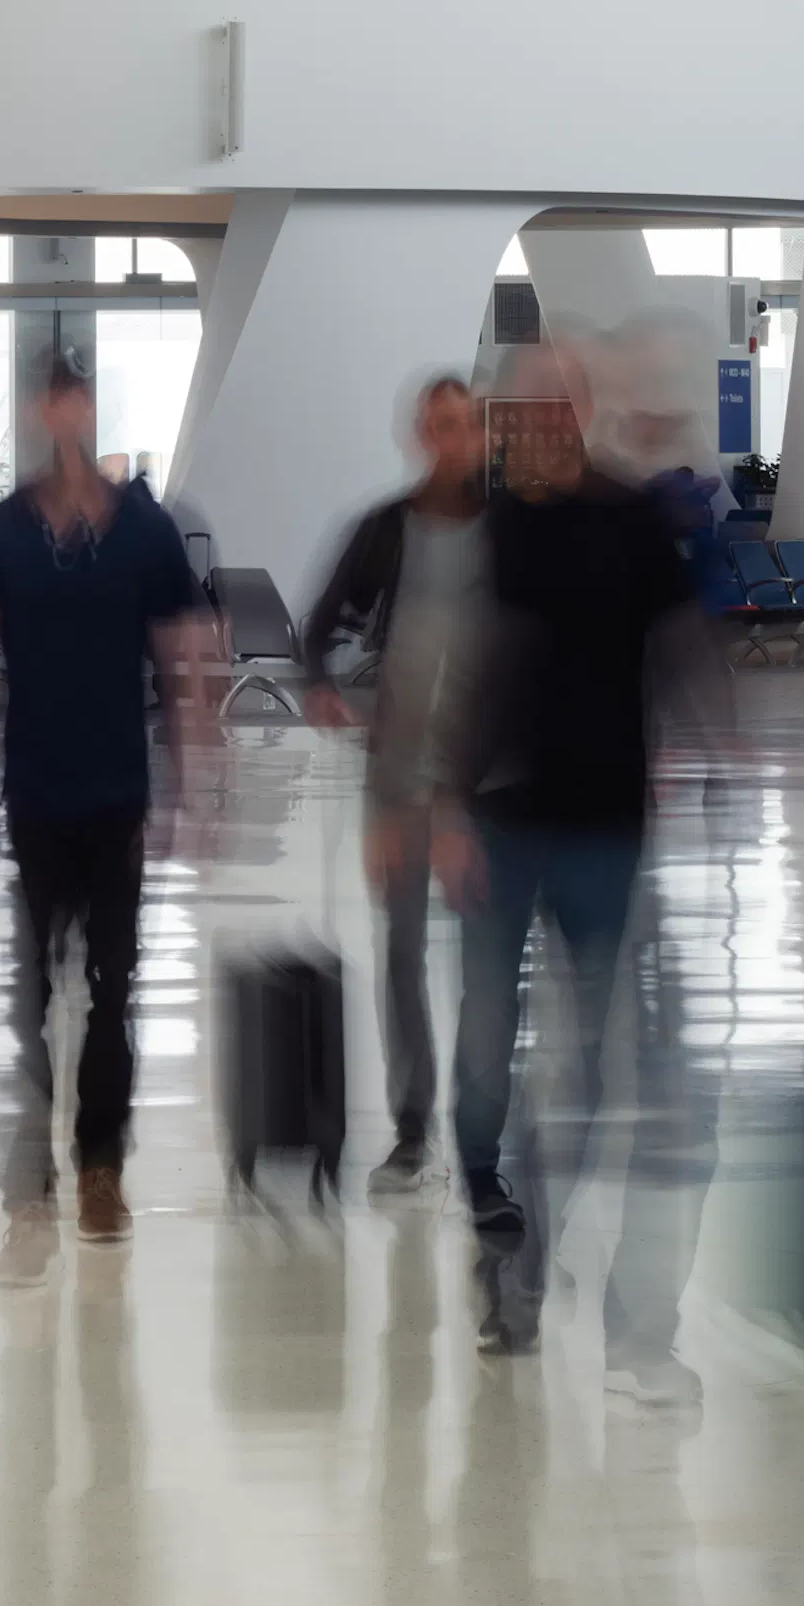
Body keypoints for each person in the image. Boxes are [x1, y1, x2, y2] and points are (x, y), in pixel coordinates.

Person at [444, 343, 714, 1403]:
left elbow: (681, 646)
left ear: (581, 409)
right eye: (521, 410)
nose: (538, 425)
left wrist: (715, 748)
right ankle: (503, 1240)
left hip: (604, 823)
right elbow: (455, 670)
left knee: (594, 1064)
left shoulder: (632, 518)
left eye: (555, 406)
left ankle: (544, 1276)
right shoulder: (489, 528)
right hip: (501, 824)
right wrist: (440, 802)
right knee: (486, 1051)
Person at [0, 354, 219, 1276]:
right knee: (29, 1000)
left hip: (115, 800)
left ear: (89, 407)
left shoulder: (144, 531)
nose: (63, 412)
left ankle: (100, 1168)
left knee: (111, 993)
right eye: (49, 399)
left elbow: (182, 667)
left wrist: (194, 784)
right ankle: (28, 1186)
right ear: (36, 411)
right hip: (34, 794)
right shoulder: (0, 532)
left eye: (76, 398)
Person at [302, 370, 491, 1192]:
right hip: (399, 782)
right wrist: (329, 691)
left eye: (464, 424)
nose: (452, 439)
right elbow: (321, 626)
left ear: (479, 433)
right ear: (420, 435)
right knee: (403, 952)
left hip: (488, 784)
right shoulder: (385, 529)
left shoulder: (510, 532)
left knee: (489, 960)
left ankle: (484, 1127)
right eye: (438, 425)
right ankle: (414, 1129)